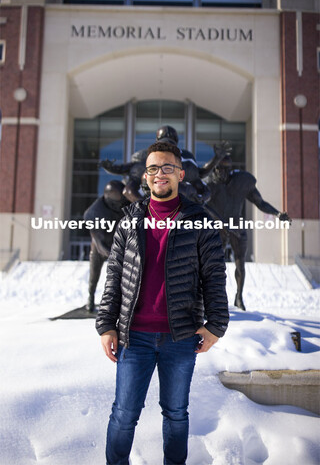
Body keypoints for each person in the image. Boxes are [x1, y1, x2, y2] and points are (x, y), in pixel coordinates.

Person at [96, 140, 229, 465]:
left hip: (180, 337)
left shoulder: (199, 219)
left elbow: (214, 274)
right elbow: (114, 273)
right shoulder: (129, 220)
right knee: (124, 414)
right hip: (134, 336)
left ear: (180, 174)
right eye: (153, 168)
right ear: (145, 176)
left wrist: (216, 325)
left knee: (176, 414)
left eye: (167, 167)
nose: (159, 174)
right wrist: (106, 325)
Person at [206, 154, 291, 311]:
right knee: (215, 265)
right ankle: (215, 298)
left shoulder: (241, 182)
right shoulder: (210, 185)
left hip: (236, 225)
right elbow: (202, 206)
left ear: (230, 170)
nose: (221, 172)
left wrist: (277, 213)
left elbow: (260, 202)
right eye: (218, 168)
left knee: (240, 264)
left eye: (224, 169)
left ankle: (239, 296)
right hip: (217, 228)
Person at [83, 181, 129, 312]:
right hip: (100, 247)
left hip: (119, 243)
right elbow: (100, 244)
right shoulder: (93, 214)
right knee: (94, 273)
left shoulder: (124, 202)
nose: (122, 204)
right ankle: (91, 296)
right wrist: (116, 256)